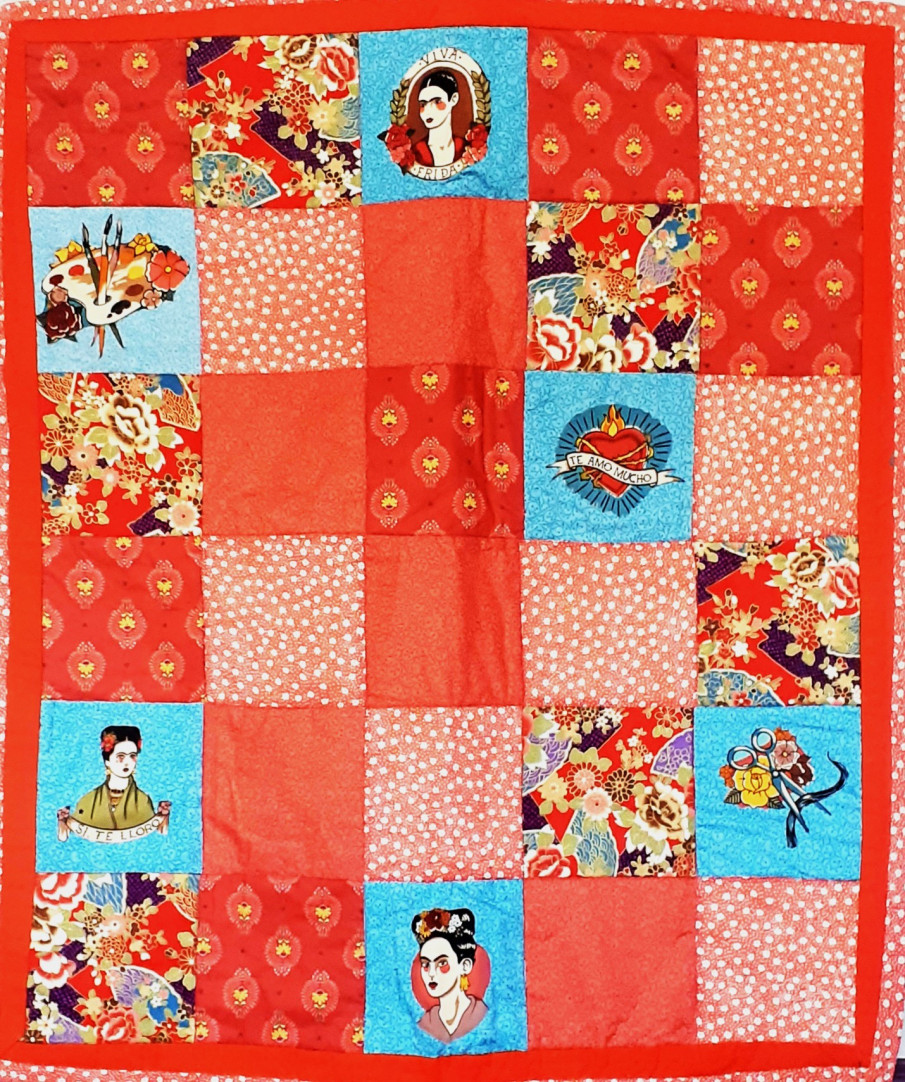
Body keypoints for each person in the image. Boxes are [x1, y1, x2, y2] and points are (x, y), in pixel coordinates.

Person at [63, 725, 161, 833]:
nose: (127, 762)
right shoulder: (88, 801)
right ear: (107, 761)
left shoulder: (143, 801)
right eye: (121, 756)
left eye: (132, 756)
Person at [412, 907, 487, 1043]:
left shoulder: (482, 1014)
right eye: (426, 964)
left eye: (442, 963)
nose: (431, 973)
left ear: (465, 966)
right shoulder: (425, 1024)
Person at [412, 70, 466, 168]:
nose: (428, 111)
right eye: (423, 104)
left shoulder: (465, 148)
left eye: (437, 102)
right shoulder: (416, 152)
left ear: (453, 99)